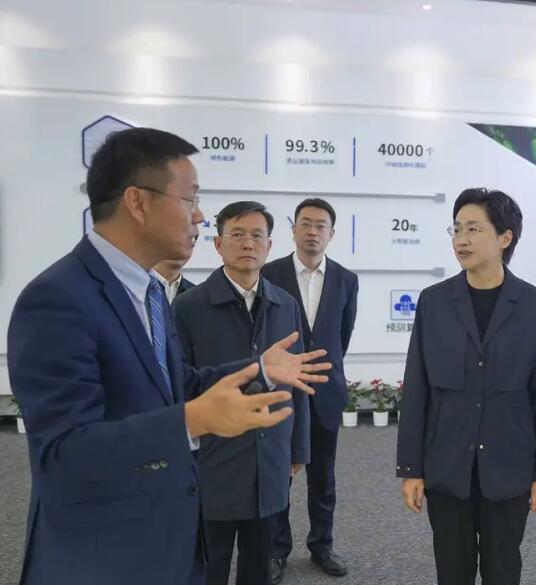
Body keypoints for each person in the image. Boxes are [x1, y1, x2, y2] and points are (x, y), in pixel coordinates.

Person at [7, 127, 331, 585]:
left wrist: (258, 369)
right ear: (138, 203)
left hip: (167, 541)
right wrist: (192, 420)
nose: (199, 216)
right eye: (190, 199)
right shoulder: (57, 299)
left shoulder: (151, 294)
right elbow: (63, 455)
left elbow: (179, 383)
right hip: (102, 557)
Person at [396, 187, 536, 585]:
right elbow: (417, 388)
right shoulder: (434, 302)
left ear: (505, 238)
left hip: (508, 465)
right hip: (447, 464)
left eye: (474, 229)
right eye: (456, 229)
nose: (461, 239)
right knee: (452, 571)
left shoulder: (534, 304)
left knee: (503, 570)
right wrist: (411, 468)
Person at [173, 201, 310, 585]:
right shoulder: (189, 307)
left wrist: (297, 447)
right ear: (218, 244)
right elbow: (180, 384)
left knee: (259, 563)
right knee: (209, 563)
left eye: (256, 236)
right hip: (212, 455)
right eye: (237, 235)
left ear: (269, 245)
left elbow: (298, 381)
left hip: (270, 454)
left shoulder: (285, 305)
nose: (248, 243)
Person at [262, 198, 358, 581]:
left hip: (324, 392)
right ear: (294, 230)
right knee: (279, 475)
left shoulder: (346, 279)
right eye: (305, 223)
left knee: (323, 477)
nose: (313, 231)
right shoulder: (269, 273)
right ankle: (276, 550)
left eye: (321, 225)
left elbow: (340, 337)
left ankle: (322, 546)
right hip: (281, 392)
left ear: (331, 234)